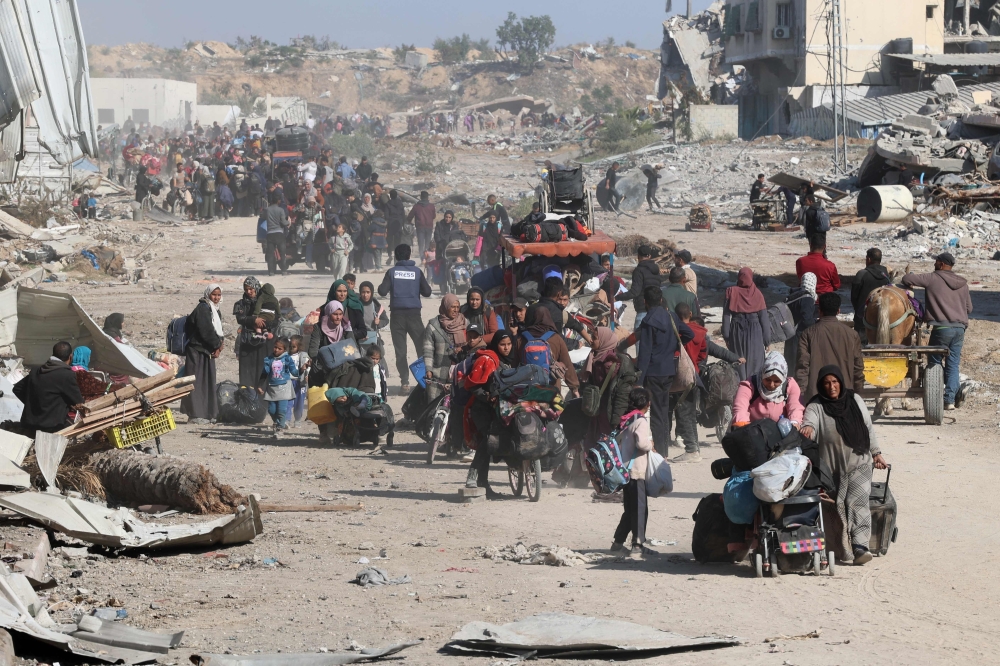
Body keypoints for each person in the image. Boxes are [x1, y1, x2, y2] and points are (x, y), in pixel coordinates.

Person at [800, 366, 888, 565]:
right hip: (831, 471)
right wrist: (807, 428)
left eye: (835, 382)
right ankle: (840, 549)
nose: (832, 387)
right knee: (834, 508)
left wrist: (876, 453)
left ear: (840, 381)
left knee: (857, 503)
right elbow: (810, 423)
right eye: (827, 383)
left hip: (859, 463)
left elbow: (867, 427)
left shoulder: (854, 400)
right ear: (821, 386)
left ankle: (860, 546)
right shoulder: (817, 405)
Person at [902, 252, 972, 410]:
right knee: (953, 365)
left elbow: (906, 279)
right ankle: (950, 400)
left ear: (941, 264)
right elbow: (969, 308)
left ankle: (936, 396)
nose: (934, 264)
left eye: (936, 262)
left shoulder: (933, 278)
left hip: (941, 329)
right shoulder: (963, 283)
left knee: (934, 362)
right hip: (960, 329)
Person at [632, 287, 693, 457]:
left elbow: (644, 353)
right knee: (664, 411)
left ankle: (661, 452)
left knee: (658, 414)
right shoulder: (672, 316)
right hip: (669, 370)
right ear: (661, 300)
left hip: (654, 372)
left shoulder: (648, 321)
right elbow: (689, 333)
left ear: (645, 302)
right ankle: (662, 449)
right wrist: (674, 347)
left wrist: (639, 380)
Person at [378, 244, 433, 394]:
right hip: (415, 316)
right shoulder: (417, 272)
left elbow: (382, 290)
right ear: (409, 256)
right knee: (421, 349)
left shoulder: (391, 272)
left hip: (397, 317)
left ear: (396, 256)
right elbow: (427, 292)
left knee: (400, 351)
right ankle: (425, 381)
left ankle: (405, 383)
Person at [795, 292, 865, 405]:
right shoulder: (852, 335)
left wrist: (800, 396)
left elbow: (802, 367)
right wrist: (858, 394)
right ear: (838, 311)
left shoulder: (808, 334)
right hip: (844, 397)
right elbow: (858, 368)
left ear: (819, 311)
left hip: (816, 399)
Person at [611, 388, 653, 556]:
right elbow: (642, 444)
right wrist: (652, 444)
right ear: (647, 404)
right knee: (640, 509)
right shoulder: (641, 421)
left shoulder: (627, 419)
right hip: (636, 471)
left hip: (625, 471)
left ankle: (618, 543)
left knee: (630, 510)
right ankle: (638, 546)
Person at [13, 341, 85, 436]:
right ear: (70, 357)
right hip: (51, 427)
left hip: (29, 424)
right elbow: (78, 401)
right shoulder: (66, 375)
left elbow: (17, 389)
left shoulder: (36, 370)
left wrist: (33, 405)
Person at [181, 285, 224, 424]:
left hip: (206, 351)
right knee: (195, 382)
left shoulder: (214, 310)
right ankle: (194, 414)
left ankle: (207, 413)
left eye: (218, 295)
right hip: (196, 351)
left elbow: (217, 331)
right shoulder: (203, 309)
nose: (216, 298)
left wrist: (218, 346)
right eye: (214, 295)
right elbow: (206, 331)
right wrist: (217, 345)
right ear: (208, 294)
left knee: (207, 382)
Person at [516, 308, 580, 395]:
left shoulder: (521, 338)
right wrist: (574, 388)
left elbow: (515, 366)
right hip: (552, 388)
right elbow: (567, 363)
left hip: (528, 389)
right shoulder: (556, 338)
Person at [732, 350, 803, 428]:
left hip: (781, 434)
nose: (771, 385)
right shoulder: (750, 384)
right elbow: (740, 405)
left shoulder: (789, 386)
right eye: (767, 379)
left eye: (776, 381)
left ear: (783, 379)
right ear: (762, 374)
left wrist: (795, 422)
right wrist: (742, 424)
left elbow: (795, 406)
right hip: (753, 432)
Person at [722, 268, 770, 381]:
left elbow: (726, 316)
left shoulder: (731, 292)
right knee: (755, 362)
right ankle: (753, 391)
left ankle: (740, 391)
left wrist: (726, 336)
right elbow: (764, 319)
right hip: (755, 331)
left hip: (736, 330)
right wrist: (767, 340)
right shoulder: (758, 294)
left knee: (738, 361)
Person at [424, 294, 466, 401]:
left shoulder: (464, 323)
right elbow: (428, 349)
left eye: (458, 307)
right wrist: (428, 369)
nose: (456, 310)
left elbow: (470, 344)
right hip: (438, 372)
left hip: (460, 373)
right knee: (435, 405)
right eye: (453, 307)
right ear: (445, 307)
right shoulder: (433, 326)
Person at [233, 277, 271, 392]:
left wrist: (262, 324)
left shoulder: (266, 302)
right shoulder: (240, 304)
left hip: (263, 343)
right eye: (246, 289)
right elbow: (240, 319)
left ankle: (262, 403)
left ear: (256, 288)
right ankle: (247, 399)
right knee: (246, 372)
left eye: (251, 289)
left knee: (262, 370)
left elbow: (273, 319)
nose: (249, 292)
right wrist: (254, 320)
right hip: (247, 341)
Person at [615, 244, 662, 331]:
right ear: (650, 256)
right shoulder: (656, 270)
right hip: (657, 309)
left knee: (639, 341)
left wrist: (616, 298)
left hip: (643, 308)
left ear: (638, 256)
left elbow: (635, 292)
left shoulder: (638, 270)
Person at [260, 337, 298, 438]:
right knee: (272, 410)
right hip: (272, 389)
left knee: (282, 410)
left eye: (279, 348)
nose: (276, 350)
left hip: (284, 387)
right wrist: (260, 385)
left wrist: (302, 370)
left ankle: (280, 428)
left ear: (285, 350)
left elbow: (294, 371)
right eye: (275, 347)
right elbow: (264, 373)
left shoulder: (287, 359)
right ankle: (277, 422)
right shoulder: (269, 359)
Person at [851, 248, 892, 338]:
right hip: (883, 317)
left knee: (861, 344)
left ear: (868, 259)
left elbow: (854, 297)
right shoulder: (886, 276)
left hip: (863, 317)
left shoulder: (861, 274)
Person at [785, 272, 818, 373]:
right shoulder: (807, 298)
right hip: (799, 337)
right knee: (798, 365)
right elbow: (807, 320)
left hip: (790, 334)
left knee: (790, 364)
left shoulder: (793, 295)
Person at [286, 335, 310, 428]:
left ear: (299, 346)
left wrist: (307, 375)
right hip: (289, 381)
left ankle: (297, 420)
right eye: (290, 347)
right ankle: (287, 420)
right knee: (288, 401)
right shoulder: (286, 356)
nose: (291, 349)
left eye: (294, 347)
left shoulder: (303, 356)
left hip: (300, 382)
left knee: (299, 402)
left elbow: (308, 367)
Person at [264, 194, 289, 275]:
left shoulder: (267, 210)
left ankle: (271, 272)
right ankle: (284, 270)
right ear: (278, 201)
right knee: (282, 253)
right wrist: (288, 222)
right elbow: (283, 222)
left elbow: (263, 217)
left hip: (270, 234)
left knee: (270, 254)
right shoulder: (281, 210)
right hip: (279, 234)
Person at [407, 191, 436, 261]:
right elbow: (434, 216)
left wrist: (410, 222)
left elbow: (409, 216)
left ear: (420, 197)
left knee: (420, 243)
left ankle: (422, 259)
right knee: (428, 243)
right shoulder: (431, 206)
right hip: (429, 227)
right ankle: (427, 258)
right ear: (427, 197)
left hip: (420, 227)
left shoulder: (416, 206)